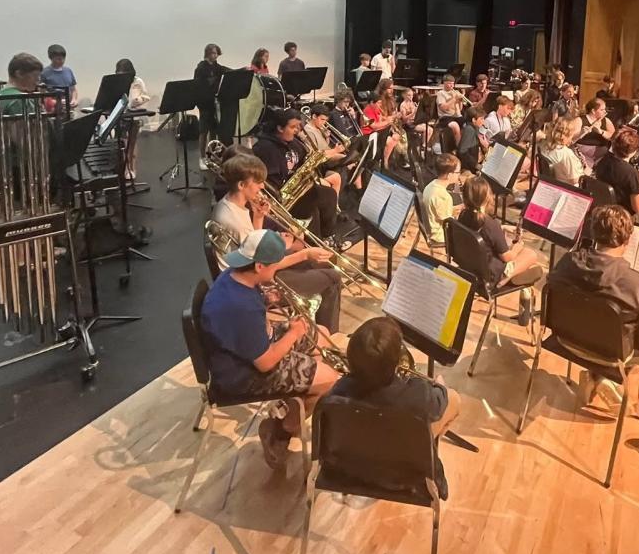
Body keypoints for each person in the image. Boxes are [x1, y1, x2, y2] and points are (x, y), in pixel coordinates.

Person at [199, 228, 342, 468]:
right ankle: (280, 432)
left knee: (322, 336)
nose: (277, 269)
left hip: (251, 349)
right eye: (274, 265)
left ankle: (288, 405)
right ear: (258, 266)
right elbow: (265, 363)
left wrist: (269, 299)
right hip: (241, 374)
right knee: (330, 380)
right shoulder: (241, 307)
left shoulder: (233, 275)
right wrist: (294, 333)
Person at [549, 205, 639, 408]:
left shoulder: (568, 261)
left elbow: (552, 287)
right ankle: (601, 377)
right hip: (612, 354)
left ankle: (597, 376)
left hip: (566, 339)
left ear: (593, 233)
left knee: (597, 322)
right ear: (627, 240)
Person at [327, 316, 460, 496]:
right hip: (405, 478)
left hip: (347, 470)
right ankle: (422, 449)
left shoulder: (339, 390)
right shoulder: (419, 395)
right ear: (396, 361)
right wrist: (440, 385)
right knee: (453, 398)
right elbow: (441, 401)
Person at [213, 153, 342, 331]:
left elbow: (254, 247)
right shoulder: (234, 220)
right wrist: (303, 254)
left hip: (254, 270)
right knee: (333, 278)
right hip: (257, 281)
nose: (262, 186)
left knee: (326, 261)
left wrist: (258, 217)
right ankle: (328, 334)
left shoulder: (232, 205)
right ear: (241, 185)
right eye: (257, 182)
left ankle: (321, 328)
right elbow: (259, 266)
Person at [457, 175, 544, 324]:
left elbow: (483, 234)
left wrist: (501, 228)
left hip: (471, 267)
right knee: (531, 254)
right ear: (487, 198)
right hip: (490, 276)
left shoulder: (463, 215)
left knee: (517, 250)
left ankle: (508, 273)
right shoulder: (490, 224)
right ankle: (506, 278)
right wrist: (517, 247)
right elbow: (507, 257)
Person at [252, 109, 339, 241]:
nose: (297, 130)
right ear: (280, 128)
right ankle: (317, 241)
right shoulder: (265, 148)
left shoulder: (292, 141)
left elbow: (305, 160)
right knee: (317, 203)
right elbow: (270, 182)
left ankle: (327, 237)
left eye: (298, 126)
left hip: (299, 189)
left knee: (329, 194)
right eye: (293, 127)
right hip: (285, 198)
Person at [593, 127, 639, 226]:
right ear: (634, 152)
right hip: (622, 215)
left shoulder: (603, 161)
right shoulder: (630, 172)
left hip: (605, 210)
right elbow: (638, 208)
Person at [299, 103, 347, 195]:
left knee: (350, 160)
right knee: (345, 164)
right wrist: (335, 150)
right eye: (322, 119)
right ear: (314, 116)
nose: (324, 123)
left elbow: (323, 146)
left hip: (327, 157)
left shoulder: (319, 128)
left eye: (325, 120)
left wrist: (327, 137)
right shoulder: (309, 131)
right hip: (322, 164)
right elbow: (318, 154)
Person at [114, 59, 150, 179]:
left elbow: (145, 95)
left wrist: (138, 100)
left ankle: (132, 168)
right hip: (121, 115)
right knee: (123, 142)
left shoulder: (138, 81)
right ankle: (125, 168)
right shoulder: (116, 82)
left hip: (134, 115)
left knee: (132, 142)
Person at [420, 153, 460, 245]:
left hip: (431, 227)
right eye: (458, 172)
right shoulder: (444, 197)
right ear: (449, 175)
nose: (459, 175)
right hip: (439, 235)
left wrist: (457, 208)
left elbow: (439, 211)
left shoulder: (430, 185)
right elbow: (448, 223)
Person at [193, 43, 227, 147]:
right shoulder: (201, 68)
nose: (216, 56)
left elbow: (227, 70)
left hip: (214, 103)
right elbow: (197, 86)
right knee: (204, 131)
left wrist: (242, 70)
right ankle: (202, 155)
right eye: (214, 53)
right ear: (208, 53)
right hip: (204, 104)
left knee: (214, 130)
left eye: (217, 54)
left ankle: (212, 152)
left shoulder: (217, 67)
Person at [539, 115, 588, 185]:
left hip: (549, 182)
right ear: (565, 136)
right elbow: (574, 180)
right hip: (567, 187)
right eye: (571, 136)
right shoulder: (566, 154)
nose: (571, 139)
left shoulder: (542, 144)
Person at [363, 78, 400, 169]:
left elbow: (380, 120)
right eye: (378, 103)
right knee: (390, 141)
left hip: (379, 131)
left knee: (396, 137)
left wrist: (389, 119)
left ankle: (385, 160)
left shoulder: (375, 108)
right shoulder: (368, 110)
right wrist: (387, 121)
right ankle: (384, 162)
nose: (380, 105)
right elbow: (374, 126)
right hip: (370, 134)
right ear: (372, 102)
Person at [456, 105, 489, 173]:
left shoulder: (474, 128)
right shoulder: (469, 130)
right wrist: (476, 165)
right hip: (469, 168)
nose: (483, 122)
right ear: (474, 120)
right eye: (481, 119)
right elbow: (462, 152)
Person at [435, 73, 465, 145]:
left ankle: (463, 145)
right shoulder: (441, 93)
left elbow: (460, 109)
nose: (452, 86)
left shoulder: (456, 92)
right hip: (446, 116)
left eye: (453, 84)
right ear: (444, 83)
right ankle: (458, 148)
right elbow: (443, 108)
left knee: (467, 126)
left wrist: (460, 101)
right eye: (449, 83)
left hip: (457, 116)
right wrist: (454, 99)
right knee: (455, 126)